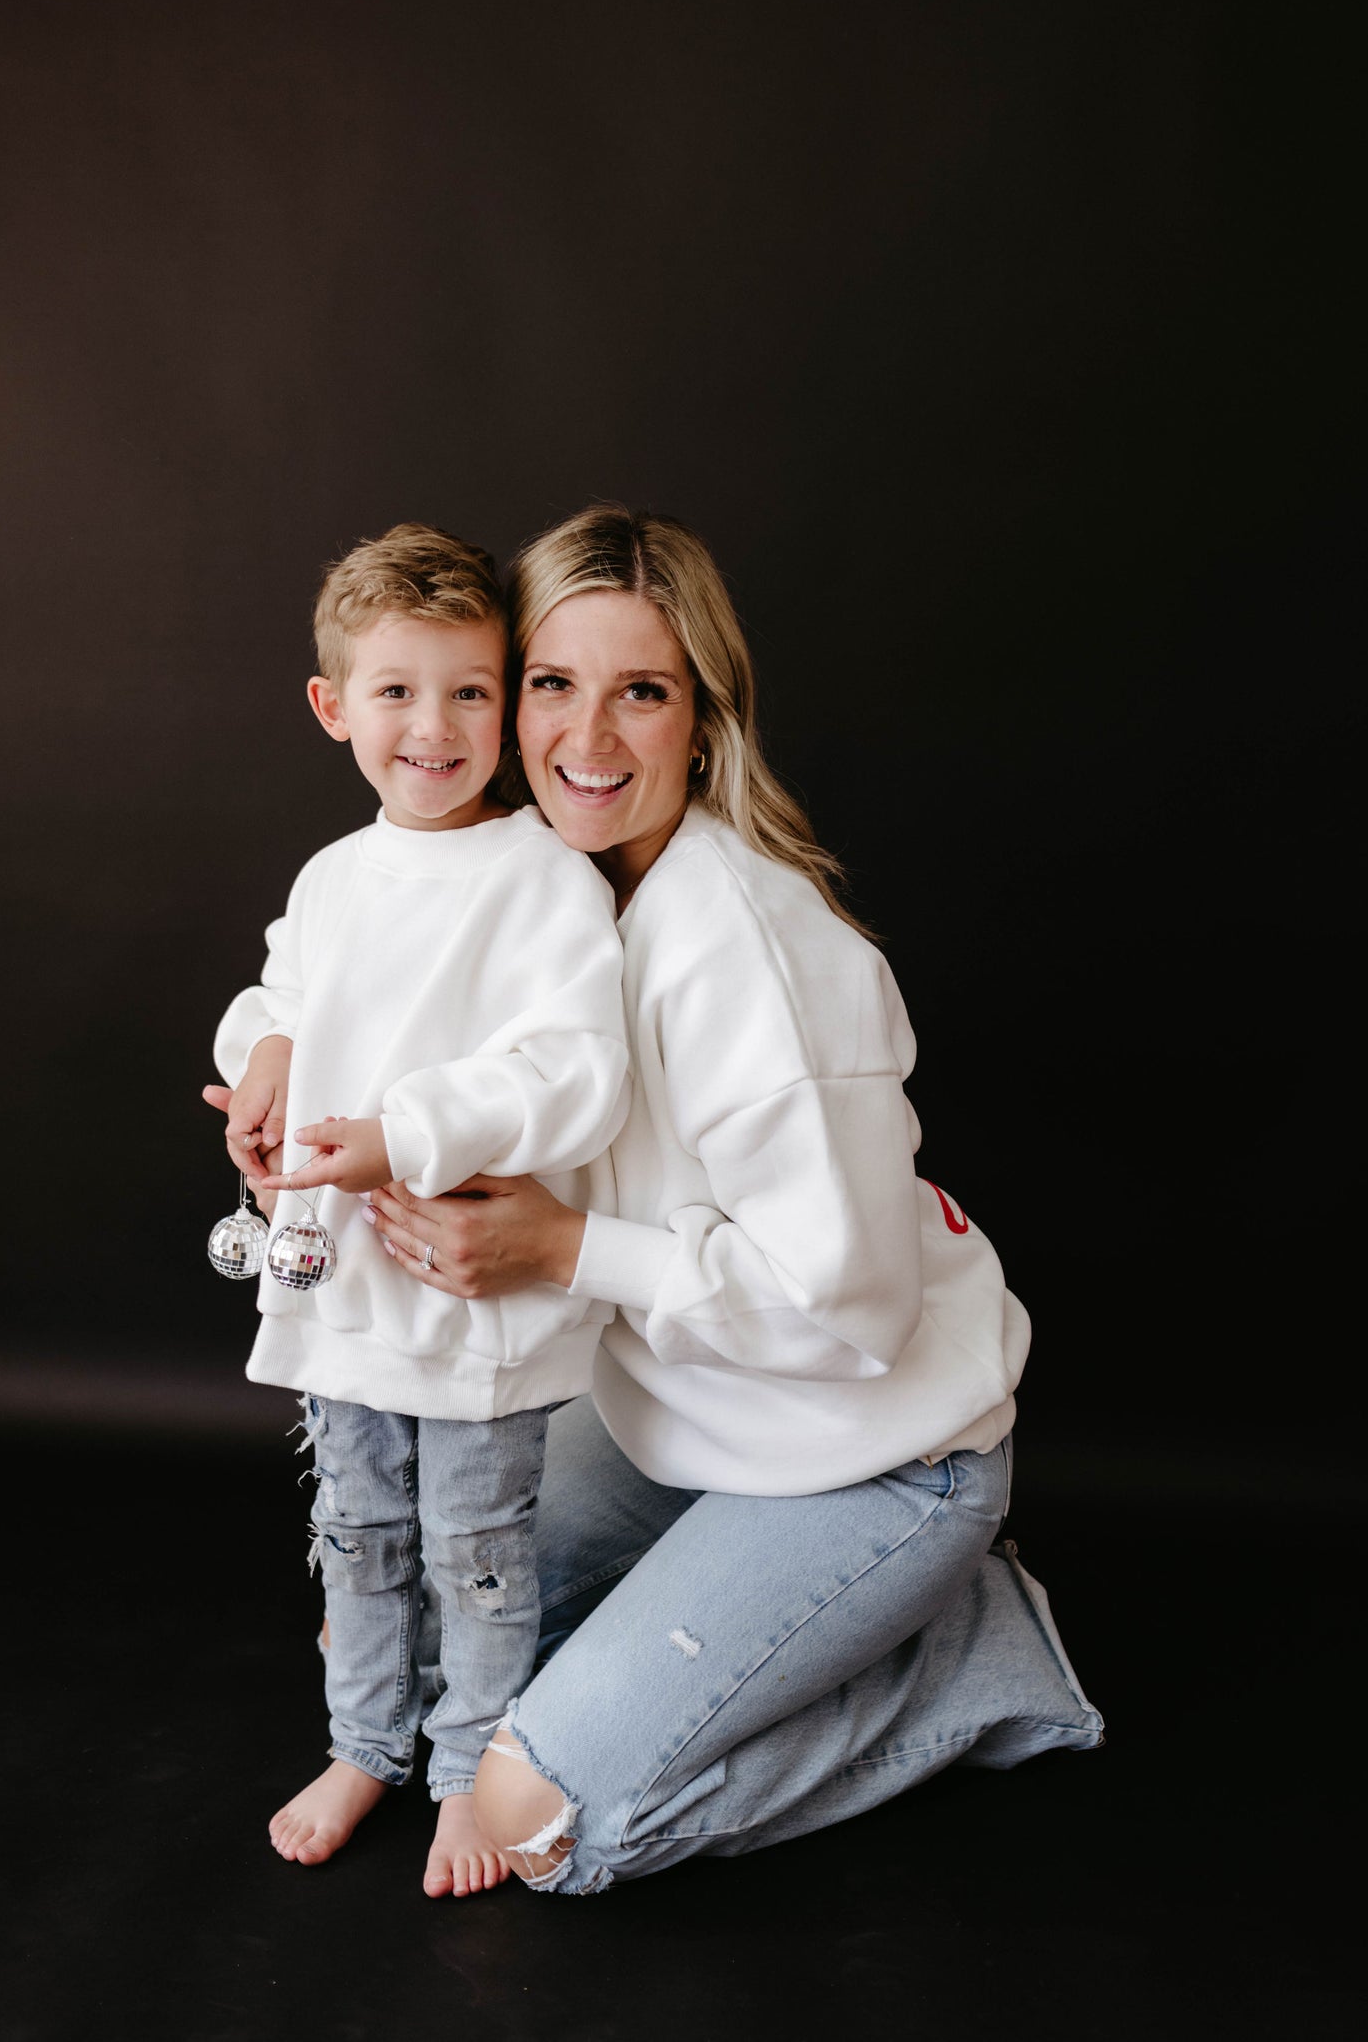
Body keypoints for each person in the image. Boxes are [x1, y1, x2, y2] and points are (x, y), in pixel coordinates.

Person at [363, 506, 1103, 1893]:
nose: (588, 737)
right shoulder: (546, 894)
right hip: (687, 1420)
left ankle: (964, 1653)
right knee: (407, 1651)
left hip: (873, 1452)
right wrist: (285, 1085)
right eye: (552, 683)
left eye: (641, 692)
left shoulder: (750, 951)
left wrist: (562, 1245)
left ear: (703, 720)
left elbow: (853, 1313)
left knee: (533, 1824)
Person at [204, 523, 630, 1896]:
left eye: (469, 692)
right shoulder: (335, 875)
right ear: (334, 707)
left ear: (507, 704)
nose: (434, 727)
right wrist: (263, 1053)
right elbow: (284, 990)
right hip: (344, 1291)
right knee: (357, 1534)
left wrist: (404, 1134)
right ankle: (367, 1744)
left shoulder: (542, 880)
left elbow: (575, 1077)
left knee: (479, 1550)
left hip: (466, 1293)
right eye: (397, 691)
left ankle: (465, 1769)